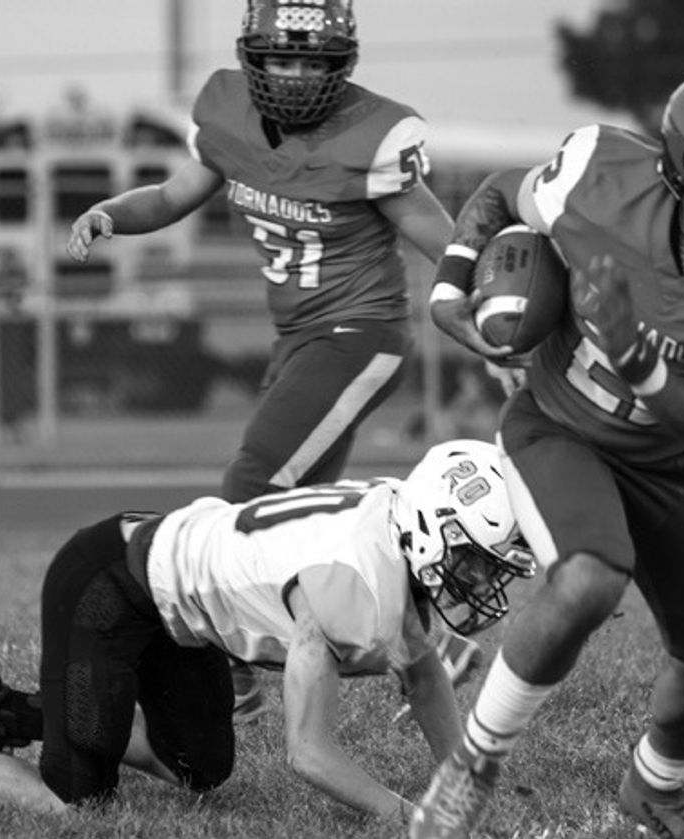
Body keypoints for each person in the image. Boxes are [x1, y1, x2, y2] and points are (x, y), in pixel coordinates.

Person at [408, 58, 684, 839]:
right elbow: (500, 191)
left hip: (670, 454)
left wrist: (632, 349)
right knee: (587, 580)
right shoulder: (600, 178)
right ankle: (473, 761)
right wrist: (451, 283)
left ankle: (656, 787)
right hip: (557, 423)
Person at [65, 0, 467, 723]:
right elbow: (169, 196)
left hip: (360, 334)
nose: (296, 76)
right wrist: (110, 214)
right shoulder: (227, 118)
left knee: (249, 487)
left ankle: (238, 669)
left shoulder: (370, 136)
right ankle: (424, 646)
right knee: (308, 528)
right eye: (283, 57)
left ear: (341, 63)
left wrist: (505, 312)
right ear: (254, 56)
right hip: (301, 339)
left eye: (313, 62)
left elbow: (450, 245)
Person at [0, 440, 536, 824]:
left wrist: (463, 784)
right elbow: (310, 753)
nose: (482, 581)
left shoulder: (392, 516)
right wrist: (410, 817)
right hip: (110, 585)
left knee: (199, 767)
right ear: (427, 530)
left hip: (178, 610)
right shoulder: (349, 587)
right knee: (74, 802)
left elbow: (419, 667)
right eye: (475, 559)